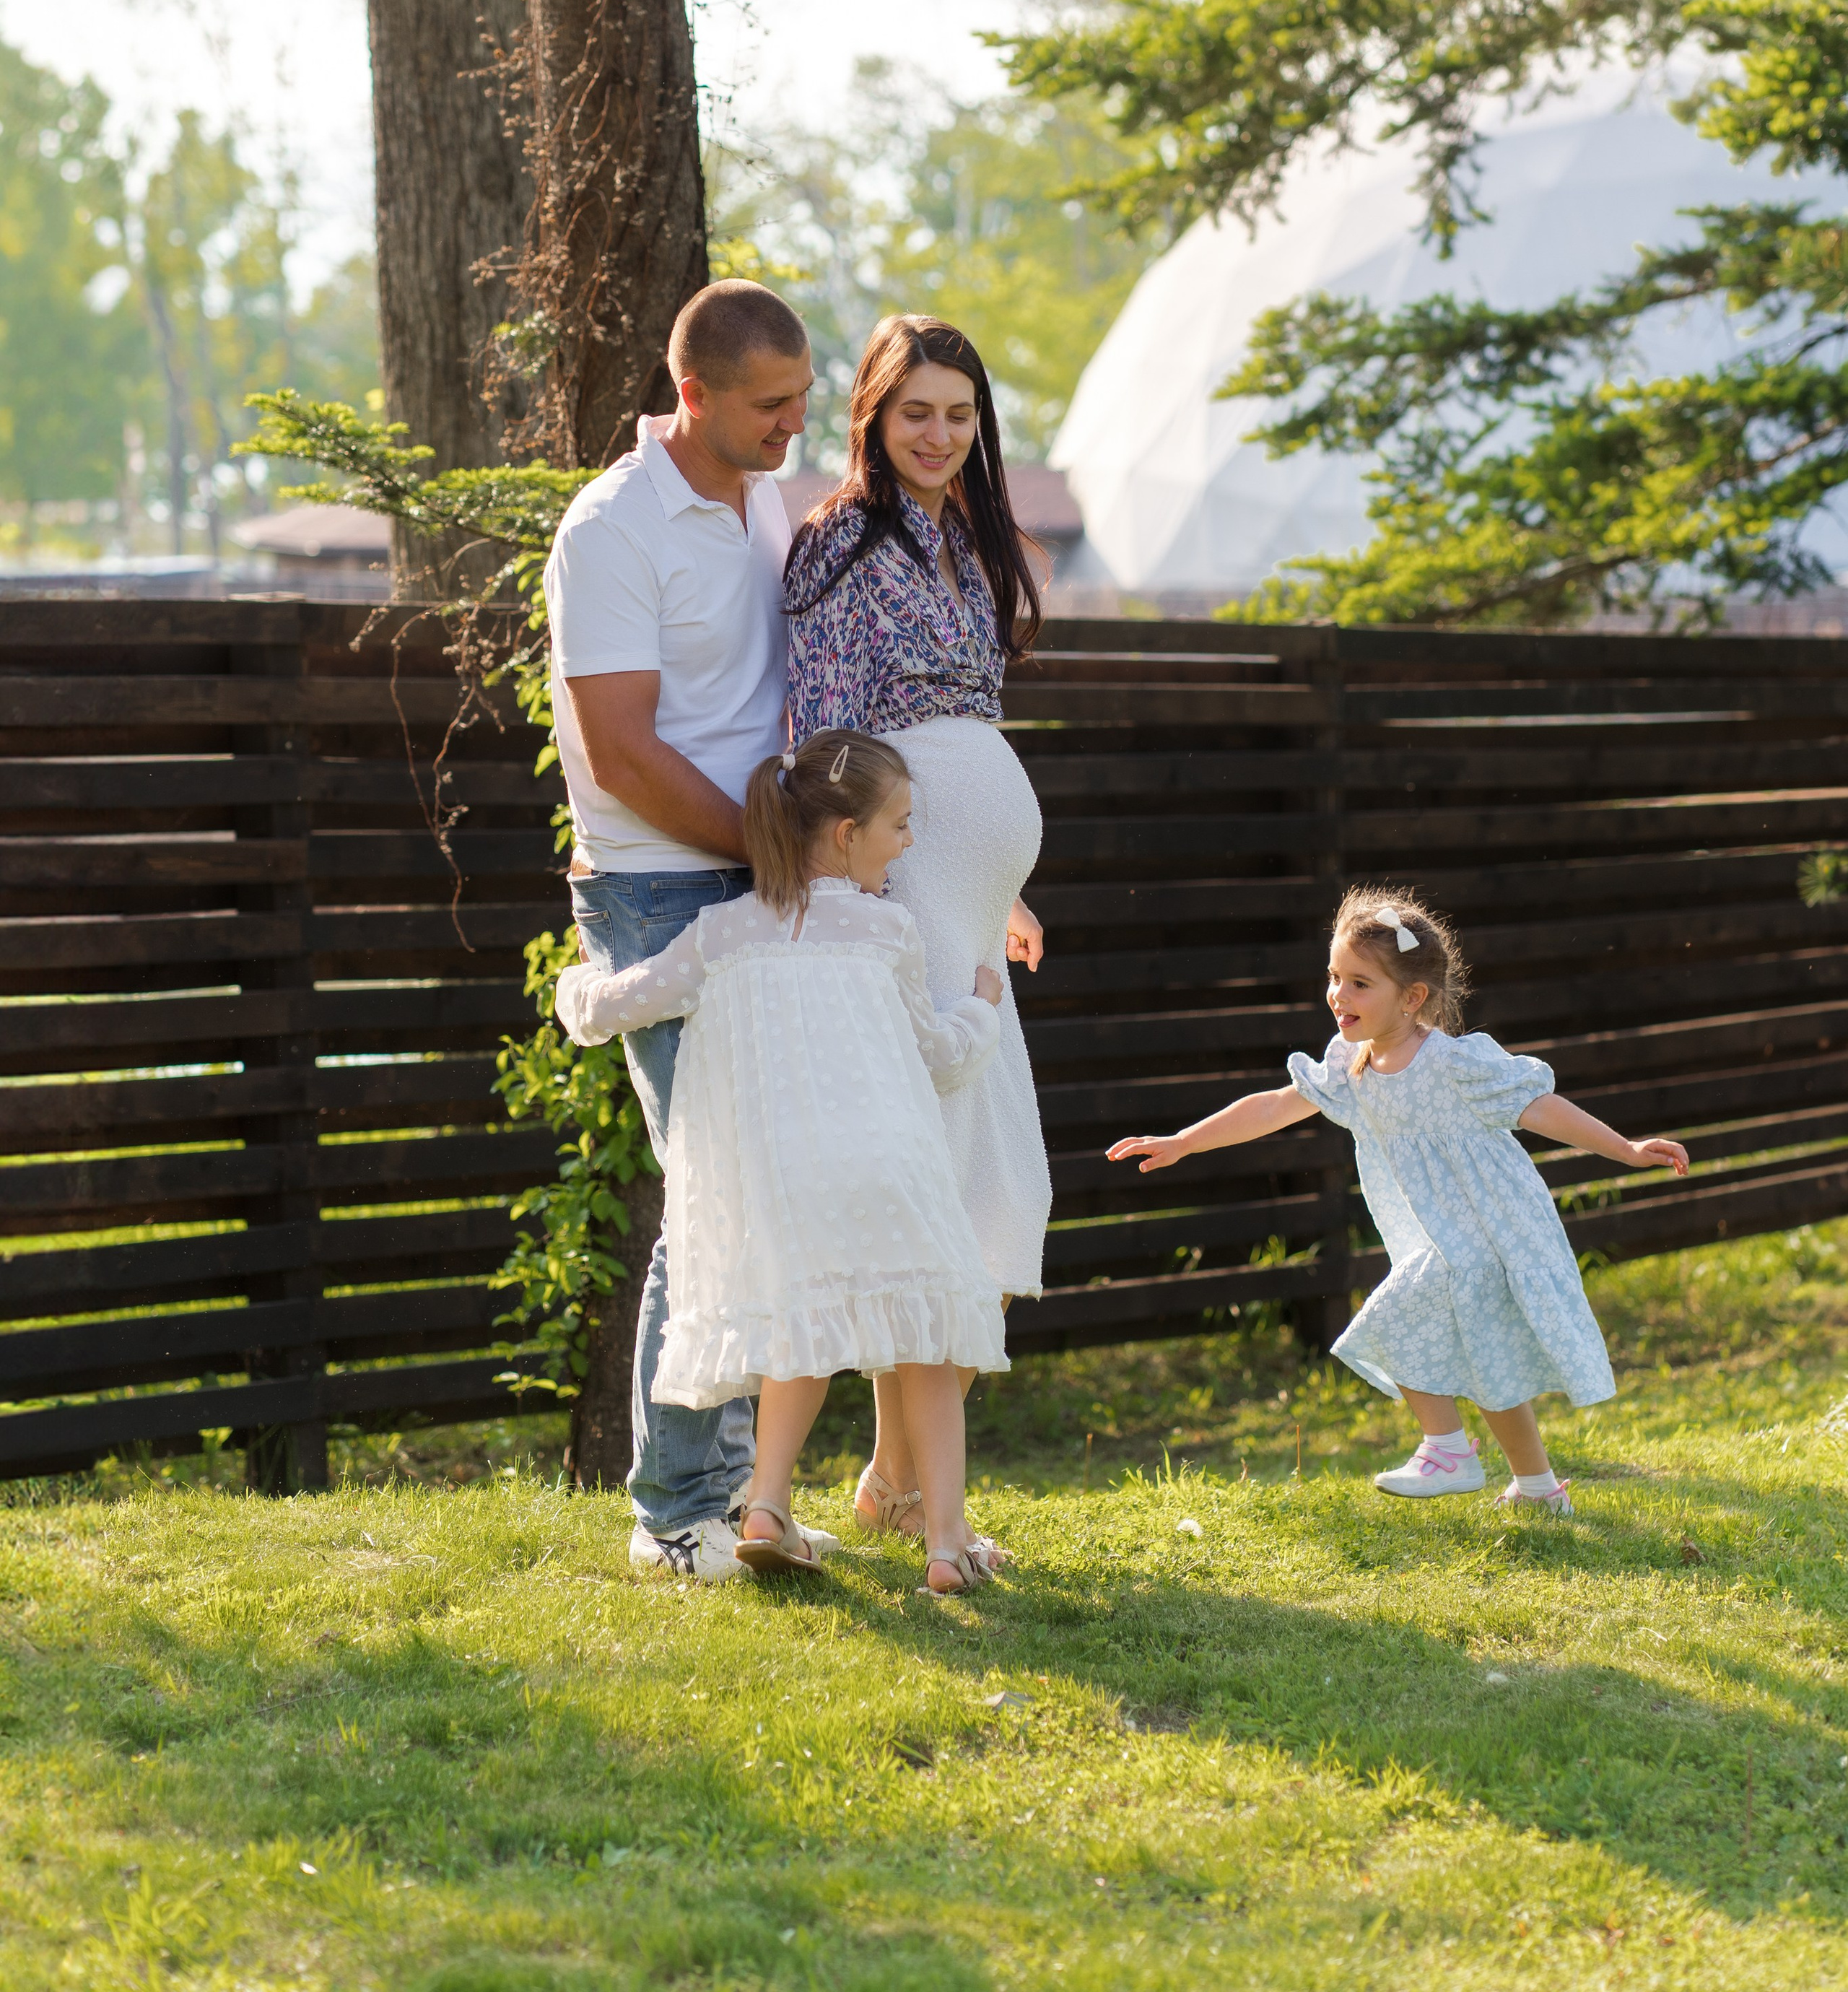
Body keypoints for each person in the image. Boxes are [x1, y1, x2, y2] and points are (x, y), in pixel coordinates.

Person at [553, 728, 1011, 1591]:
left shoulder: (722, 932)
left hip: (786, 1185)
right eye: (900, 826)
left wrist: (575, 987)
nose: (907, 844)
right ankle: (947, 1546)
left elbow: (625, 1002)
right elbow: (941, 1056)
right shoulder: (885, 929)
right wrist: (983, 1004)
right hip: (891, 1172)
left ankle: (765, 1503)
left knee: (795, 1335)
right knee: (927, 1343)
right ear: (846, 835)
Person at [542, 277, 834, 1583]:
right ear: (695, 394)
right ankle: (672, 1515)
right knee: (713, 1186)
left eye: (804, 402)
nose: (794, 428)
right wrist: (769, 853)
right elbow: (620, 752)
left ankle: (732, 1494)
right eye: (772, 407)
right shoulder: (611, 532)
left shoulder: (760, 495)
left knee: (762, 1184)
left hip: (756, 879)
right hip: (662, 883)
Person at [1107, 886, 1691, 1515]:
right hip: (1438, 1237)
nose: (1339, 995)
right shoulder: (1351, 1067)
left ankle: (1447, 1449)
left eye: (1360, 983)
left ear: (1413, 998)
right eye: (1335, 977)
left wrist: (1625, 1149)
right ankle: (1539, 1490)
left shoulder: (1451, 1065)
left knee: (1394, 1316)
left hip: (1490, 1231)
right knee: (1486, 1360)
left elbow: (1543, 1110)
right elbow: (1274, 1106)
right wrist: (1185, 1142)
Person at [783, 313, 1052, 1544]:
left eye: (959, 413)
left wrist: (1003, 888)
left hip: (964, 894)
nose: (939, 435)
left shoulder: (963, 539)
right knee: (931, 1177)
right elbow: (831, 734)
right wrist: (868, 895)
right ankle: (901, 1491)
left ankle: (897, 1484)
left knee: (958, 1171)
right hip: (902, 888)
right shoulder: (842, 544)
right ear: (874, 418)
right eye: (916, 413)